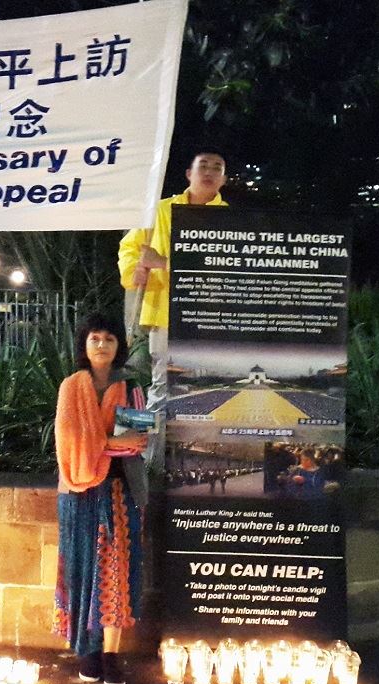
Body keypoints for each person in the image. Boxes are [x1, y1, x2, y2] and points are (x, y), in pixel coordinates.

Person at [53, 313, 147, 684]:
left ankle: (111, 655)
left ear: (119, 345)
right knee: (80, 571)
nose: (102, 345)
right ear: (84, 345)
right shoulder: (70, 387)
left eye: (109, 339)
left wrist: (100, 445)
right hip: (78, 494)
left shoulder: (131, 386)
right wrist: (110, 442)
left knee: (115, 572)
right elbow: (68, 443)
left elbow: (137, 442)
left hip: (120, 492)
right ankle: (87, 651)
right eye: (95, 338)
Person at [118, 150, 228, 466]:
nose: (209, 172)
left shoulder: (229, 219)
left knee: (204, 388)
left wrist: (163, 263)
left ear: (224, 180)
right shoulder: (159, 211)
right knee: (159, 388)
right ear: (188, 174)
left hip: (210, 316)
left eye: (217, 168)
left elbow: (220, 266)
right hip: (164, 315)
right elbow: (129, 248)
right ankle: (146, 461)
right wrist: (134, 271)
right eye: (203, 166)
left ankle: (190, 461)